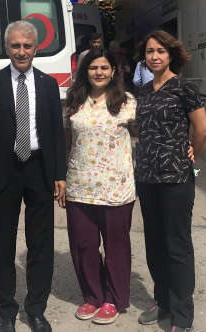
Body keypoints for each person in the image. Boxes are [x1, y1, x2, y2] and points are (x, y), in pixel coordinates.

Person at [0, 20, 67, 332]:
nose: (22, 51)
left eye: (27, 45)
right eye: (15, 45)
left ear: (36, 48)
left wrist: (59, 174)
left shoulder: (48, 84)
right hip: (4, 171)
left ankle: (36, 309)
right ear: (6, 48)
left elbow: (56, 133)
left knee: (40, 243)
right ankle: (6, 312)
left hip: (40, 169)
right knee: (2, 244)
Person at [134, 30, 206, 332]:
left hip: (176, 177)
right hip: (147, 177)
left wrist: (192, 154)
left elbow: (202, 129)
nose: (154, 56)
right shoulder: (144, 91)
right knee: (154, 244)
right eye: (150, 51)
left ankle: (181, 316)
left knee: (177, 245)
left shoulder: (184, 87)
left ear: (171, 55)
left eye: (161, 51)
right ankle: (162, 301)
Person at [62, 48, 137, 325]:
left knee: (116, 246)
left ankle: (113, 299)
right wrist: (63, 177)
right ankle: (93, 296)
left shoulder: (126, 101)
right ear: (86, 71)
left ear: (113, 70)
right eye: (93, 67)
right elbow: (68, 143)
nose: (99, 72)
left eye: (104, 67)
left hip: (117, 187)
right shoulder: (73, 101)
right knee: (83, 245)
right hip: (80, 186)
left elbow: (140, 135)